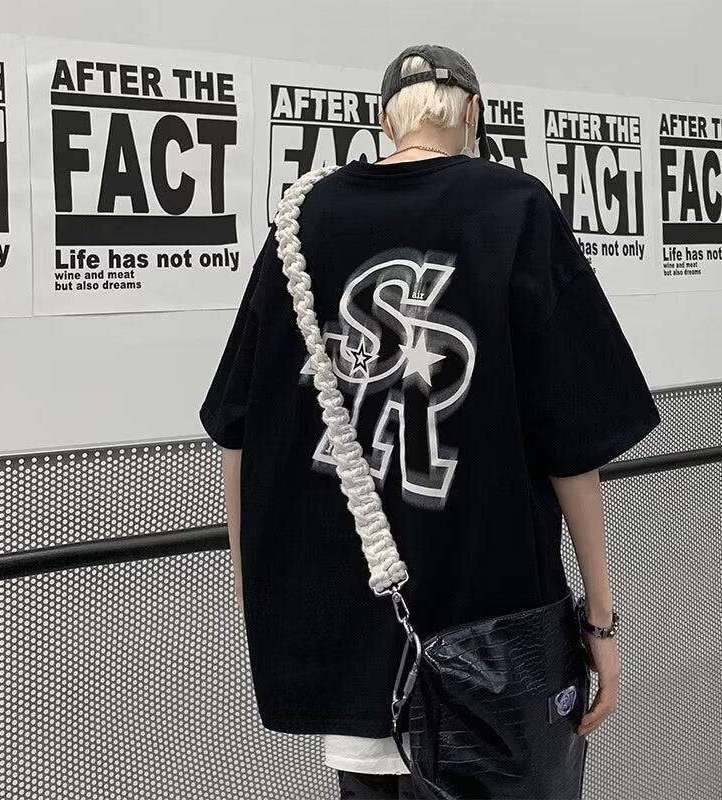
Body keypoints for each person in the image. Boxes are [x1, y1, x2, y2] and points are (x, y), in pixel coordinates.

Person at [199, 44, 661, 800]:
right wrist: (601, 623)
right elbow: (573, 446)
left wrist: (256, 594)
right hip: (496, 647)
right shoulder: (516, 207)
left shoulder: (302, 221)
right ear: (473, 114)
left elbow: (236, 431)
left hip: (352, 639)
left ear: (386, 121)